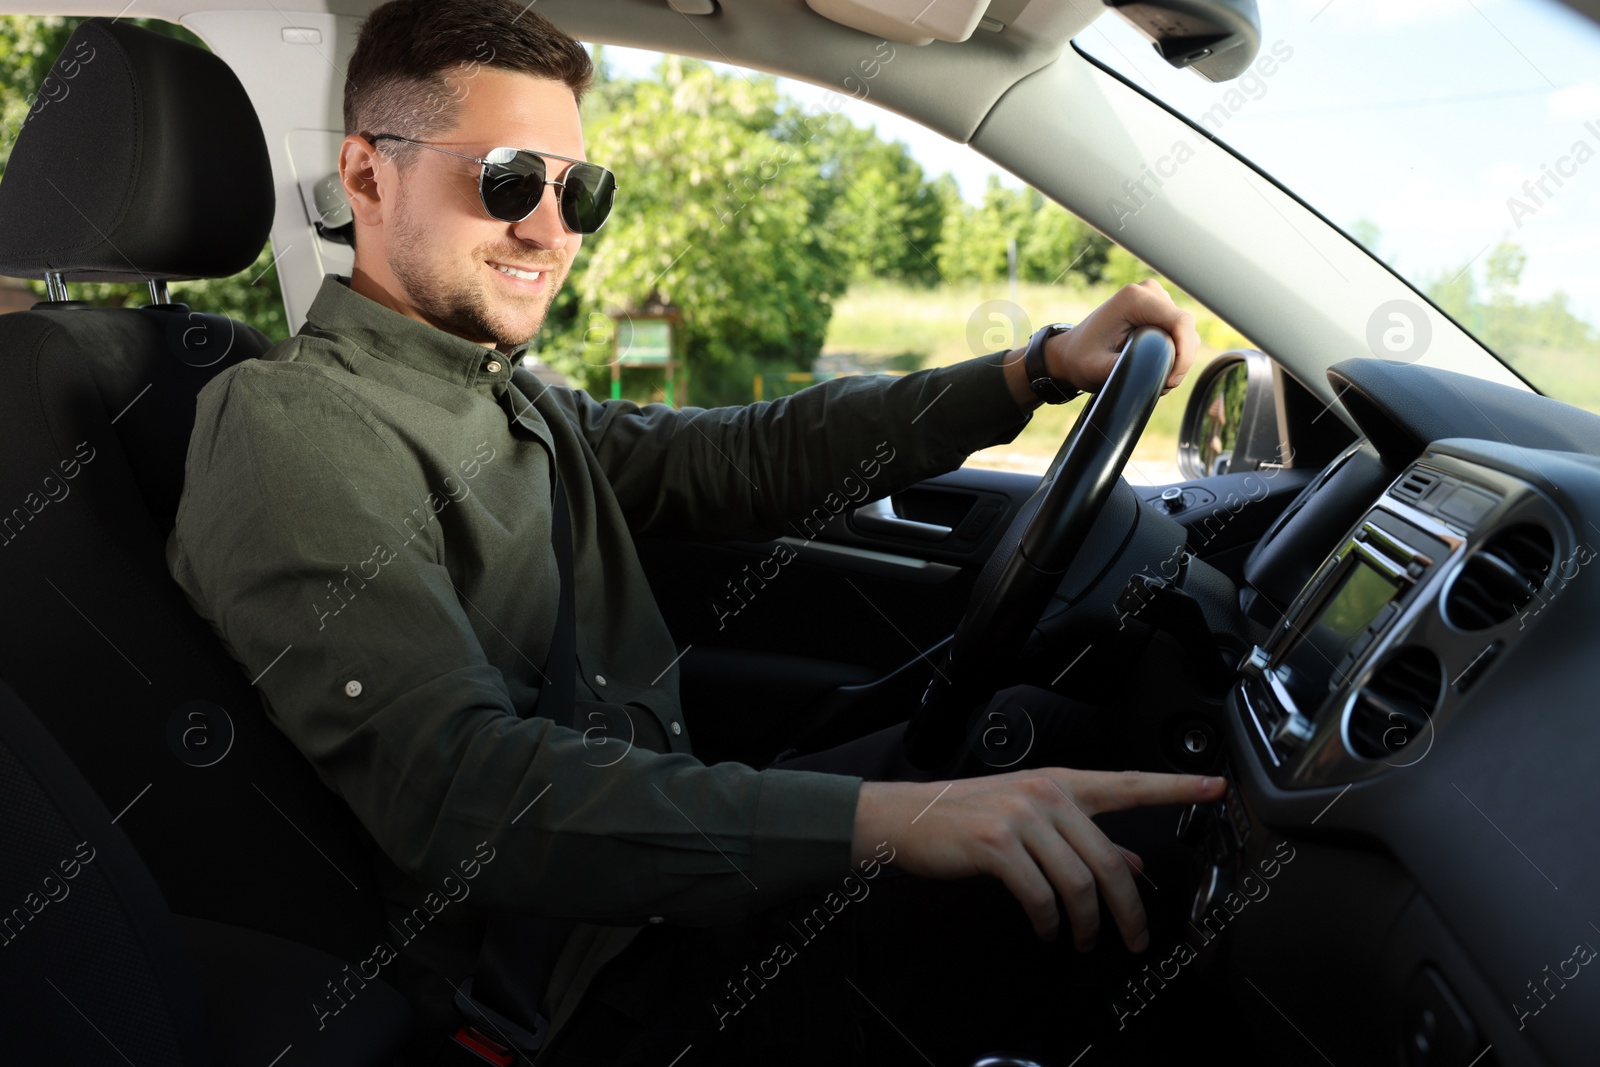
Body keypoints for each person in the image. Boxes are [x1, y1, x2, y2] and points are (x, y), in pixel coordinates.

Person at [165, 1, 1221, 1063]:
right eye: (503, 181)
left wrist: (1027, 371)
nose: (550, 228)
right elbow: (456, 789)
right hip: (580, 991)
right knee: (1146, 901)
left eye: (579, 191)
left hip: (653, 903)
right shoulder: (294, 423)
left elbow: (742, 456)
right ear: (365, 176)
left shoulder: (501, 395)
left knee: (1043, 747)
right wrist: (891, 820)